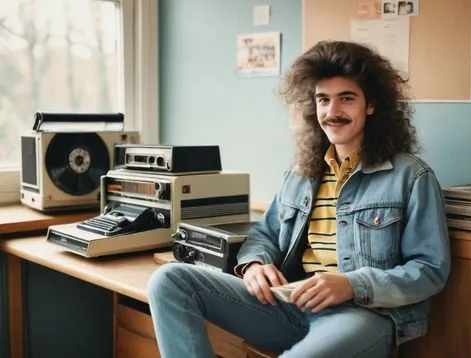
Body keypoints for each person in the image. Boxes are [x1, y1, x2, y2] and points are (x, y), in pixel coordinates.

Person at [147, 41, 451, 358]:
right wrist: (254, 264)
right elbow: (264, 234)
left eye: (346, 99)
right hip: (289, 305)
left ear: (371, 105)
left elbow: (429, 269)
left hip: (364, 316)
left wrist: (351, 285)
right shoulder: (301, 174)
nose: (332, 112)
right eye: (323, 100)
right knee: (168, 280)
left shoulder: (412, 177)